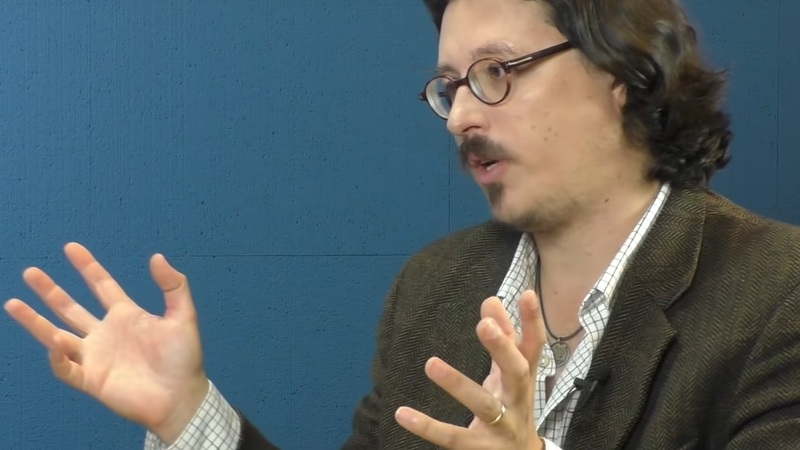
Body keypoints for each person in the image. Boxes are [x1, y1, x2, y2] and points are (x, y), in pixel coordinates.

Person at [5, 0, 800, 448]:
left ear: (619, 71)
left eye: (495, 73)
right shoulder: (437, 287)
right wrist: (187, 414)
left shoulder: (777, 295)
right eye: (450, 86)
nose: (459, 117)